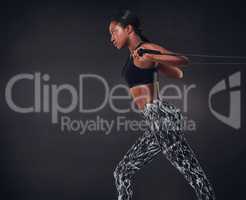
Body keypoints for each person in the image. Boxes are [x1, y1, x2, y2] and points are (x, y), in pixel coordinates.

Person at [108, 9, 216, 200]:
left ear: (129, 29)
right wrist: (154, 61)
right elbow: (177, 74)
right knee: (122, 172)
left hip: (160, 119)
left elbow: (182, 62)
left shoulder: (145, 49)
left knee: (194, 174)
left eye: (114, 31)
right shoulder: (135, 55)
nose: (112, 38)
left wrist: (152, 55)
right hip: (155, 122)